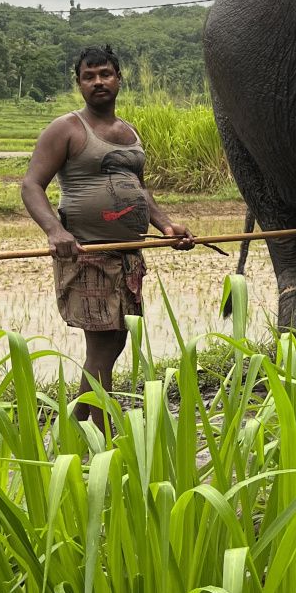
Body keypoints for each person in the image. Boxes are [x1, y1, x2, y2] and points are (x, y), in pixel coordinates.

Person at [20, 45, 193, 425]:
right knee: (102, 345)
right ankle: (98, 438)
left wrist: (165, 226)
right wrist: (55, 231)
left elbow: (140, 191)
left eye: (105, 74)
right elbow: (32, 185)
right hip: (87, 255)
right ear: (79, 84)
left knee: (114, 341)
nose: (98, 82)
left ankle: (79, 427)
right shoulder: (66, 129)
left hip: (127, 256)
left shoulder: (129, 132)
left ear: (118, 78)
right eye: (89, 76)